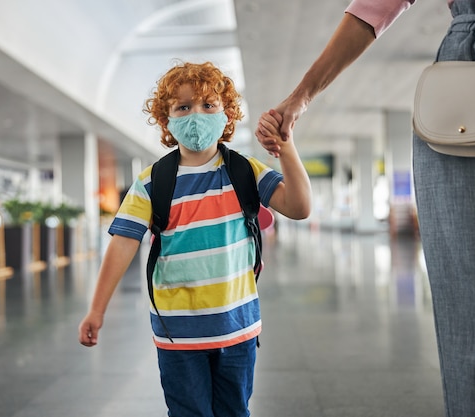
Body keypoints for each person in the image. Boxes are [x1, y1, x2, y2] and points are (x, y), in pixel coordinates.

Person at [255, 1, 475, 416]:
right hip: (468, 67)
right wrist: (301, 96)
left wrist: (301, 96)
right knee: (470, 316)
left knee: (472, 324)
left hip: (469, 67)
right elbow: (376, 8)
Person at [79, 61, 311, 416]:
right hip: (178, 333)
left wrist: (287, 146)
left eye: (208, 105)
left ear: (227, 114)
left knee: (235, 411)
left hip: (237, 328)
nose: (196, 116)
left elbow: (299, 206)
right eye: (183, 107)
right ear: (166, 120)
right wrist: (97, 310)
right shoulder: (152, 182)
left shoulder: (244, 171)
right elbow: (123, 244)